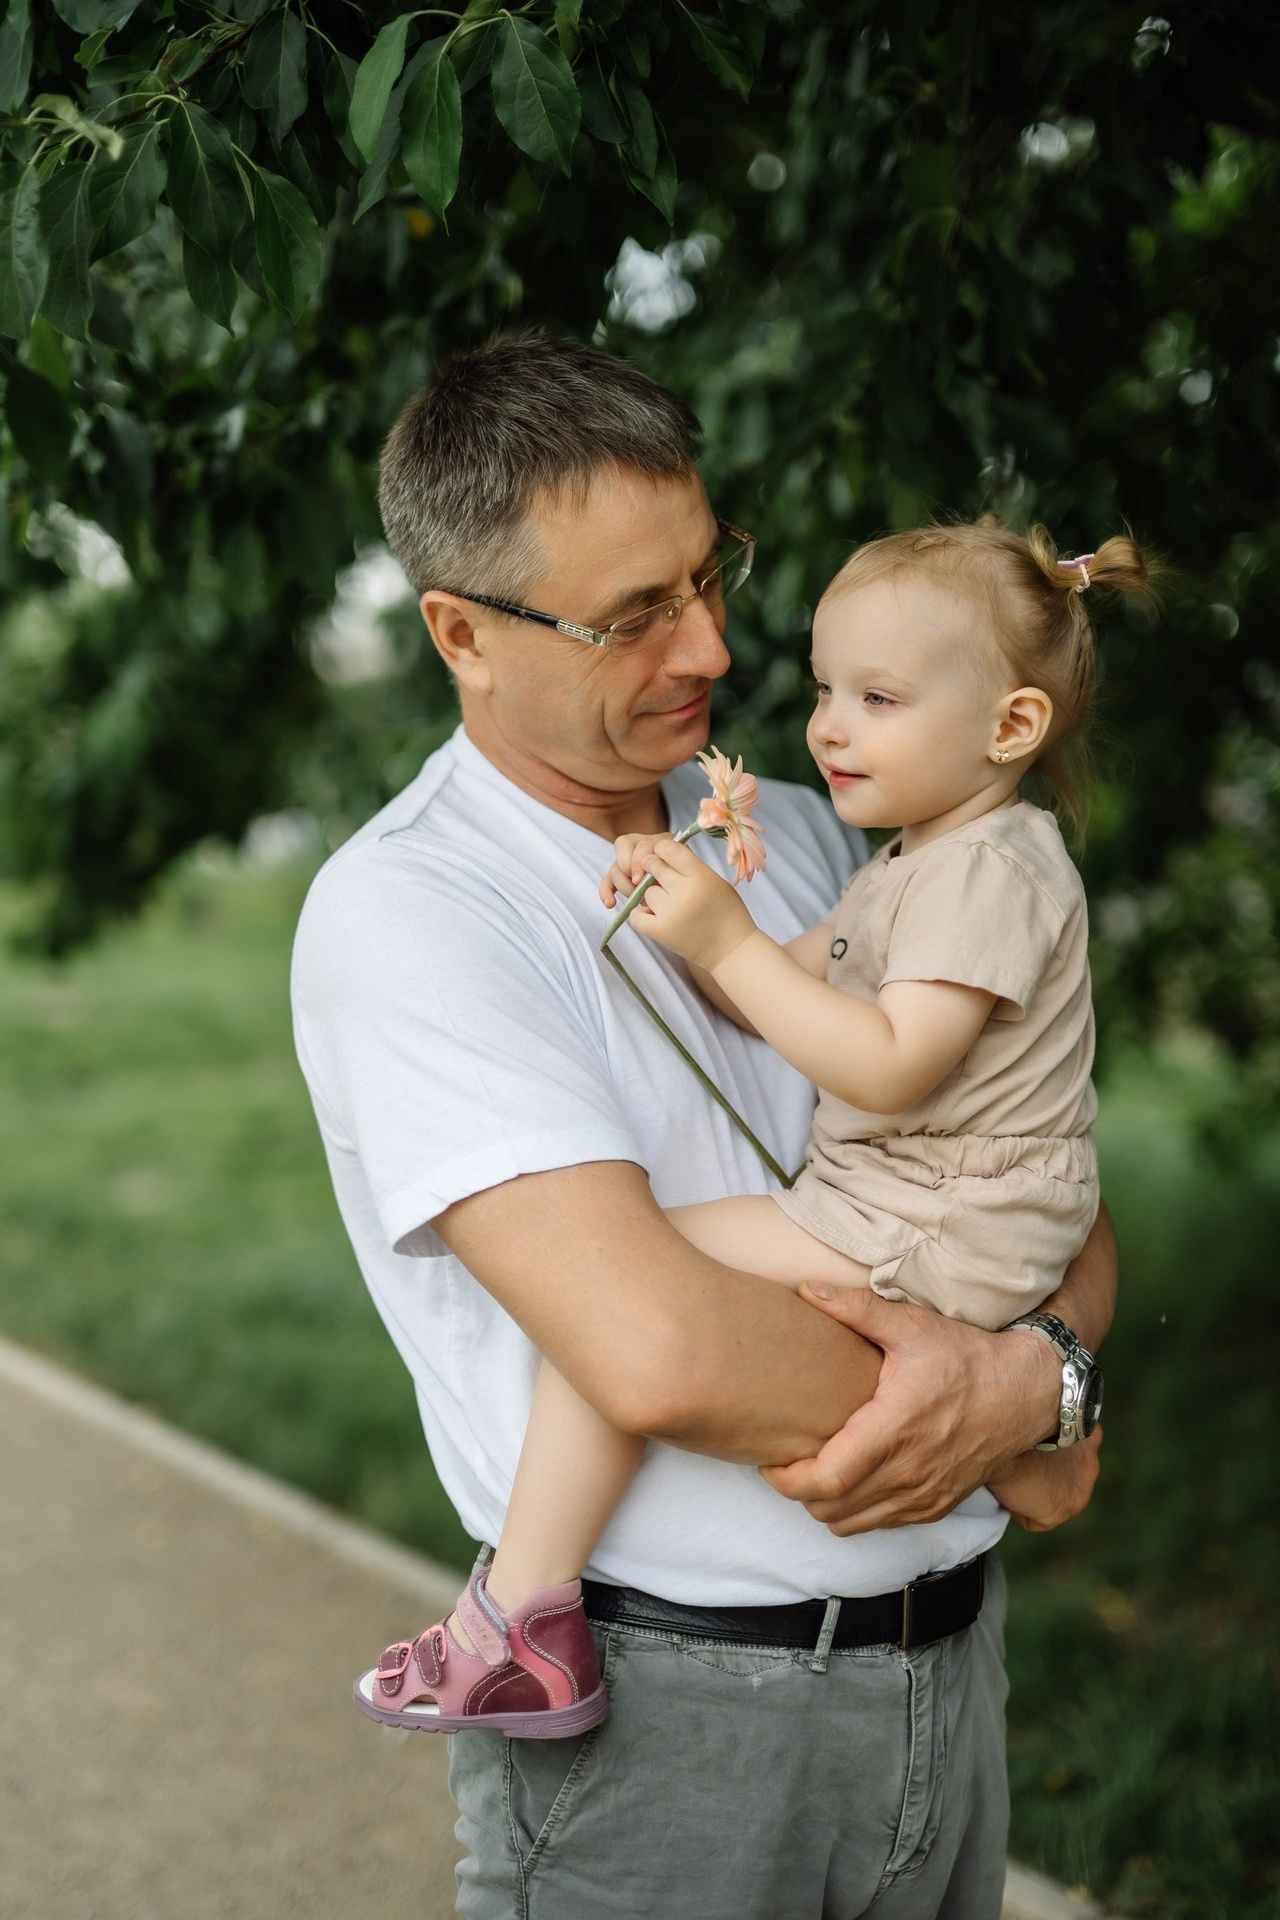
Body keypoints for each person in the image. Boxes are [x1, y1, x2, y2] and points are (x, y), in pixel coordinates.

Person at [292, 333, 1117, 1920]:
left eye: (707, 575)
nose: (717, 651)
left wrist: (1048, 1375)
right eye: (634, 617)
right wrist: (1000, 1423)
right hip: (673, 1732)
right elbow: (656, 1347)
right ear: (460, 632)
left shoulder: (829, 827)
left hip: (950, 1681)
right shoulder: (412, 914)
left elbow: (1044, 1183)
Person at [352, 519, 1142, 1742]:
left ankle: (518, 1623)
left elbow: (883, 1066)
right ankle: (528, 1618)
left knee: (635, 1276)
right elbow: (775, 986)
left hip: (928, 1211)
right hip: (935, 1216)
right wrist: (694, 908)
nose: (826, 726)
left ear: (1011, 728)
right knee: (623, 1300)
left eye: (875, 697)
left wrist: (723, 940)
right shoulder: (904, 860)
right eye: (828, 690)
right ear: (463, 633)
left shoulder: (986, 869)